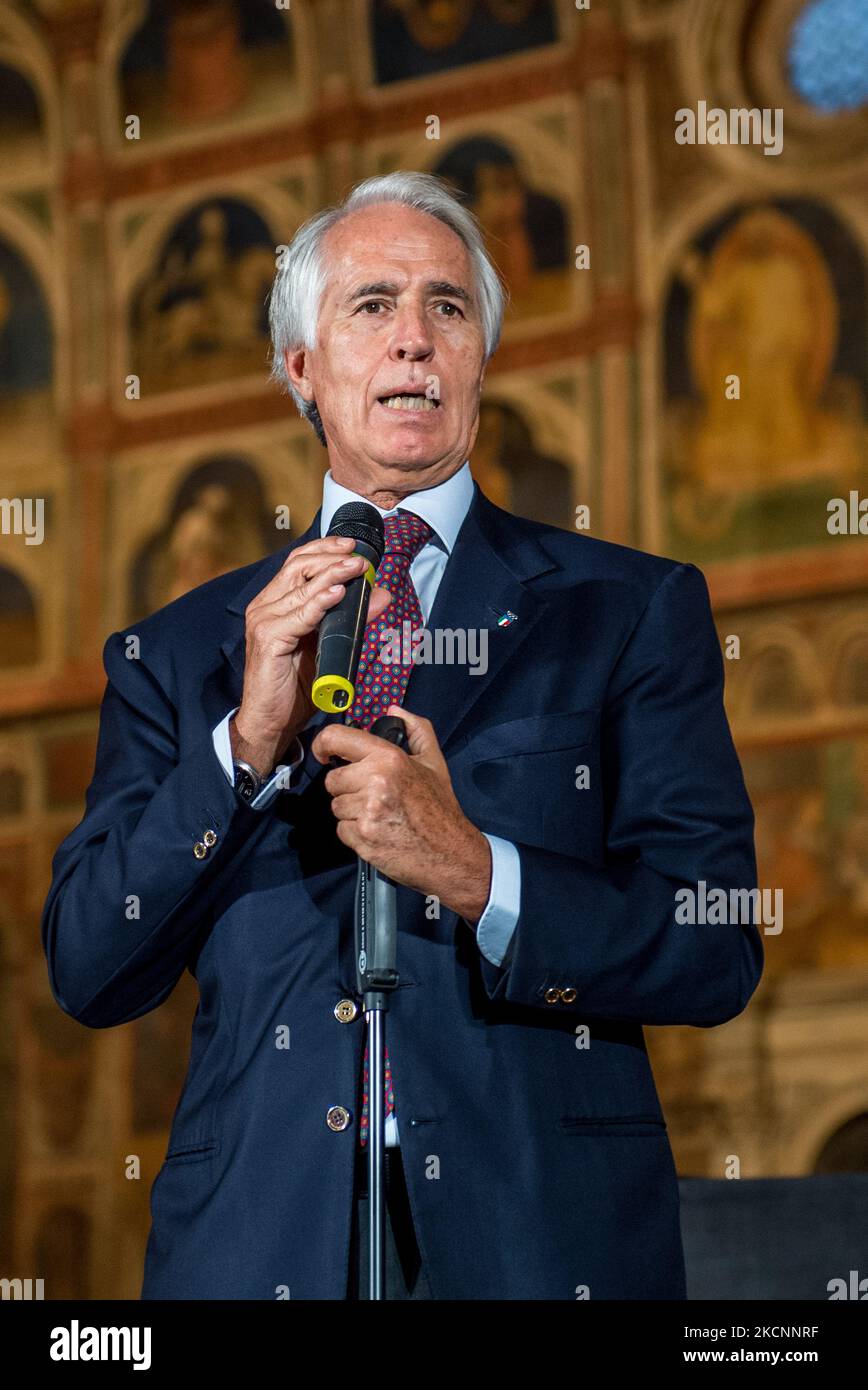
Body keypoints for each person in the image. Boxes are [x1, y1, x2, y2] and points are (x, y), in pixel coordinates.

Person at [41, 171, 763, 1300]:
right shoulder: (177, 651)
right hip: (258, 1245)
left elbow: (713, 942)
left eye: (450, 308)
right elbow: (89, 967)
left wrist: (479, 872)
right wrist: (238, 751)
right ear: (301, 370)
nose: (414, 342)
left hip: (537, 1243)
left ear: (480, 359)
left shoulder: (623, 609)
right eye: (372, 306)